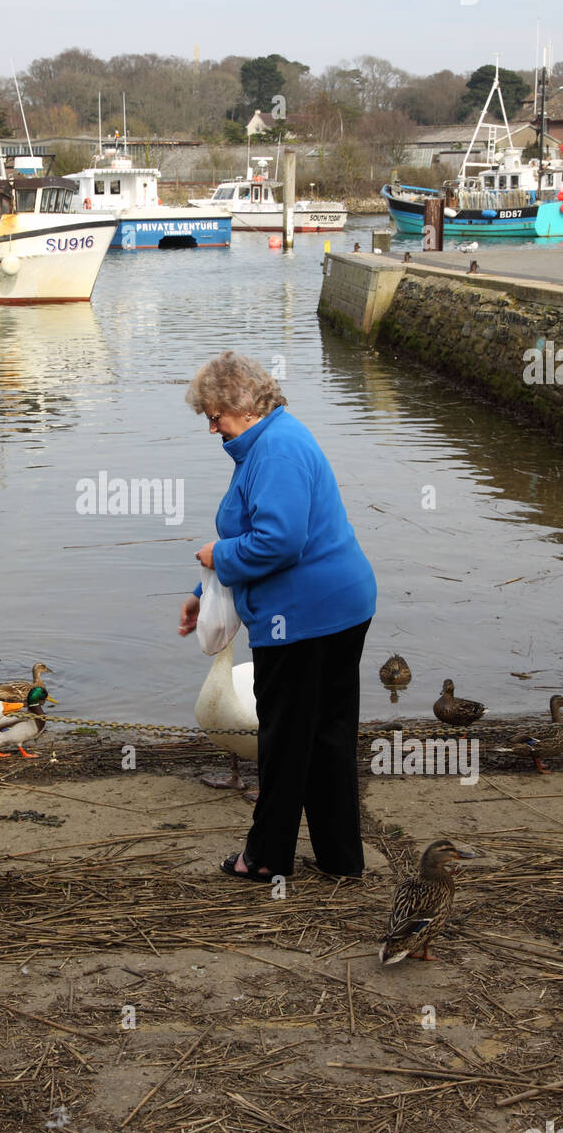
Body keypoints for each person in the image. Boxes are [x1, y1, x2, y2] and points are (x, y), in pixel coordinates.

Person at [179, 350, 376, 881]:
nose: (212, 428)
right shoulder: (274, 441)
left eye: (212, 416)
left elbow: (278, 542)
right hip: (338, 606)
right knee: (327, 735)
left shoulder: (277, 451)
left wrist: (217, 557)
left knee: (285, 742)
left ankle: (265, 857)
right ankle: (340, 859)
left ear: (236, 404)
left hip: (304, 618)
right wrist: (204, 589)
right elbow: (259, 533)